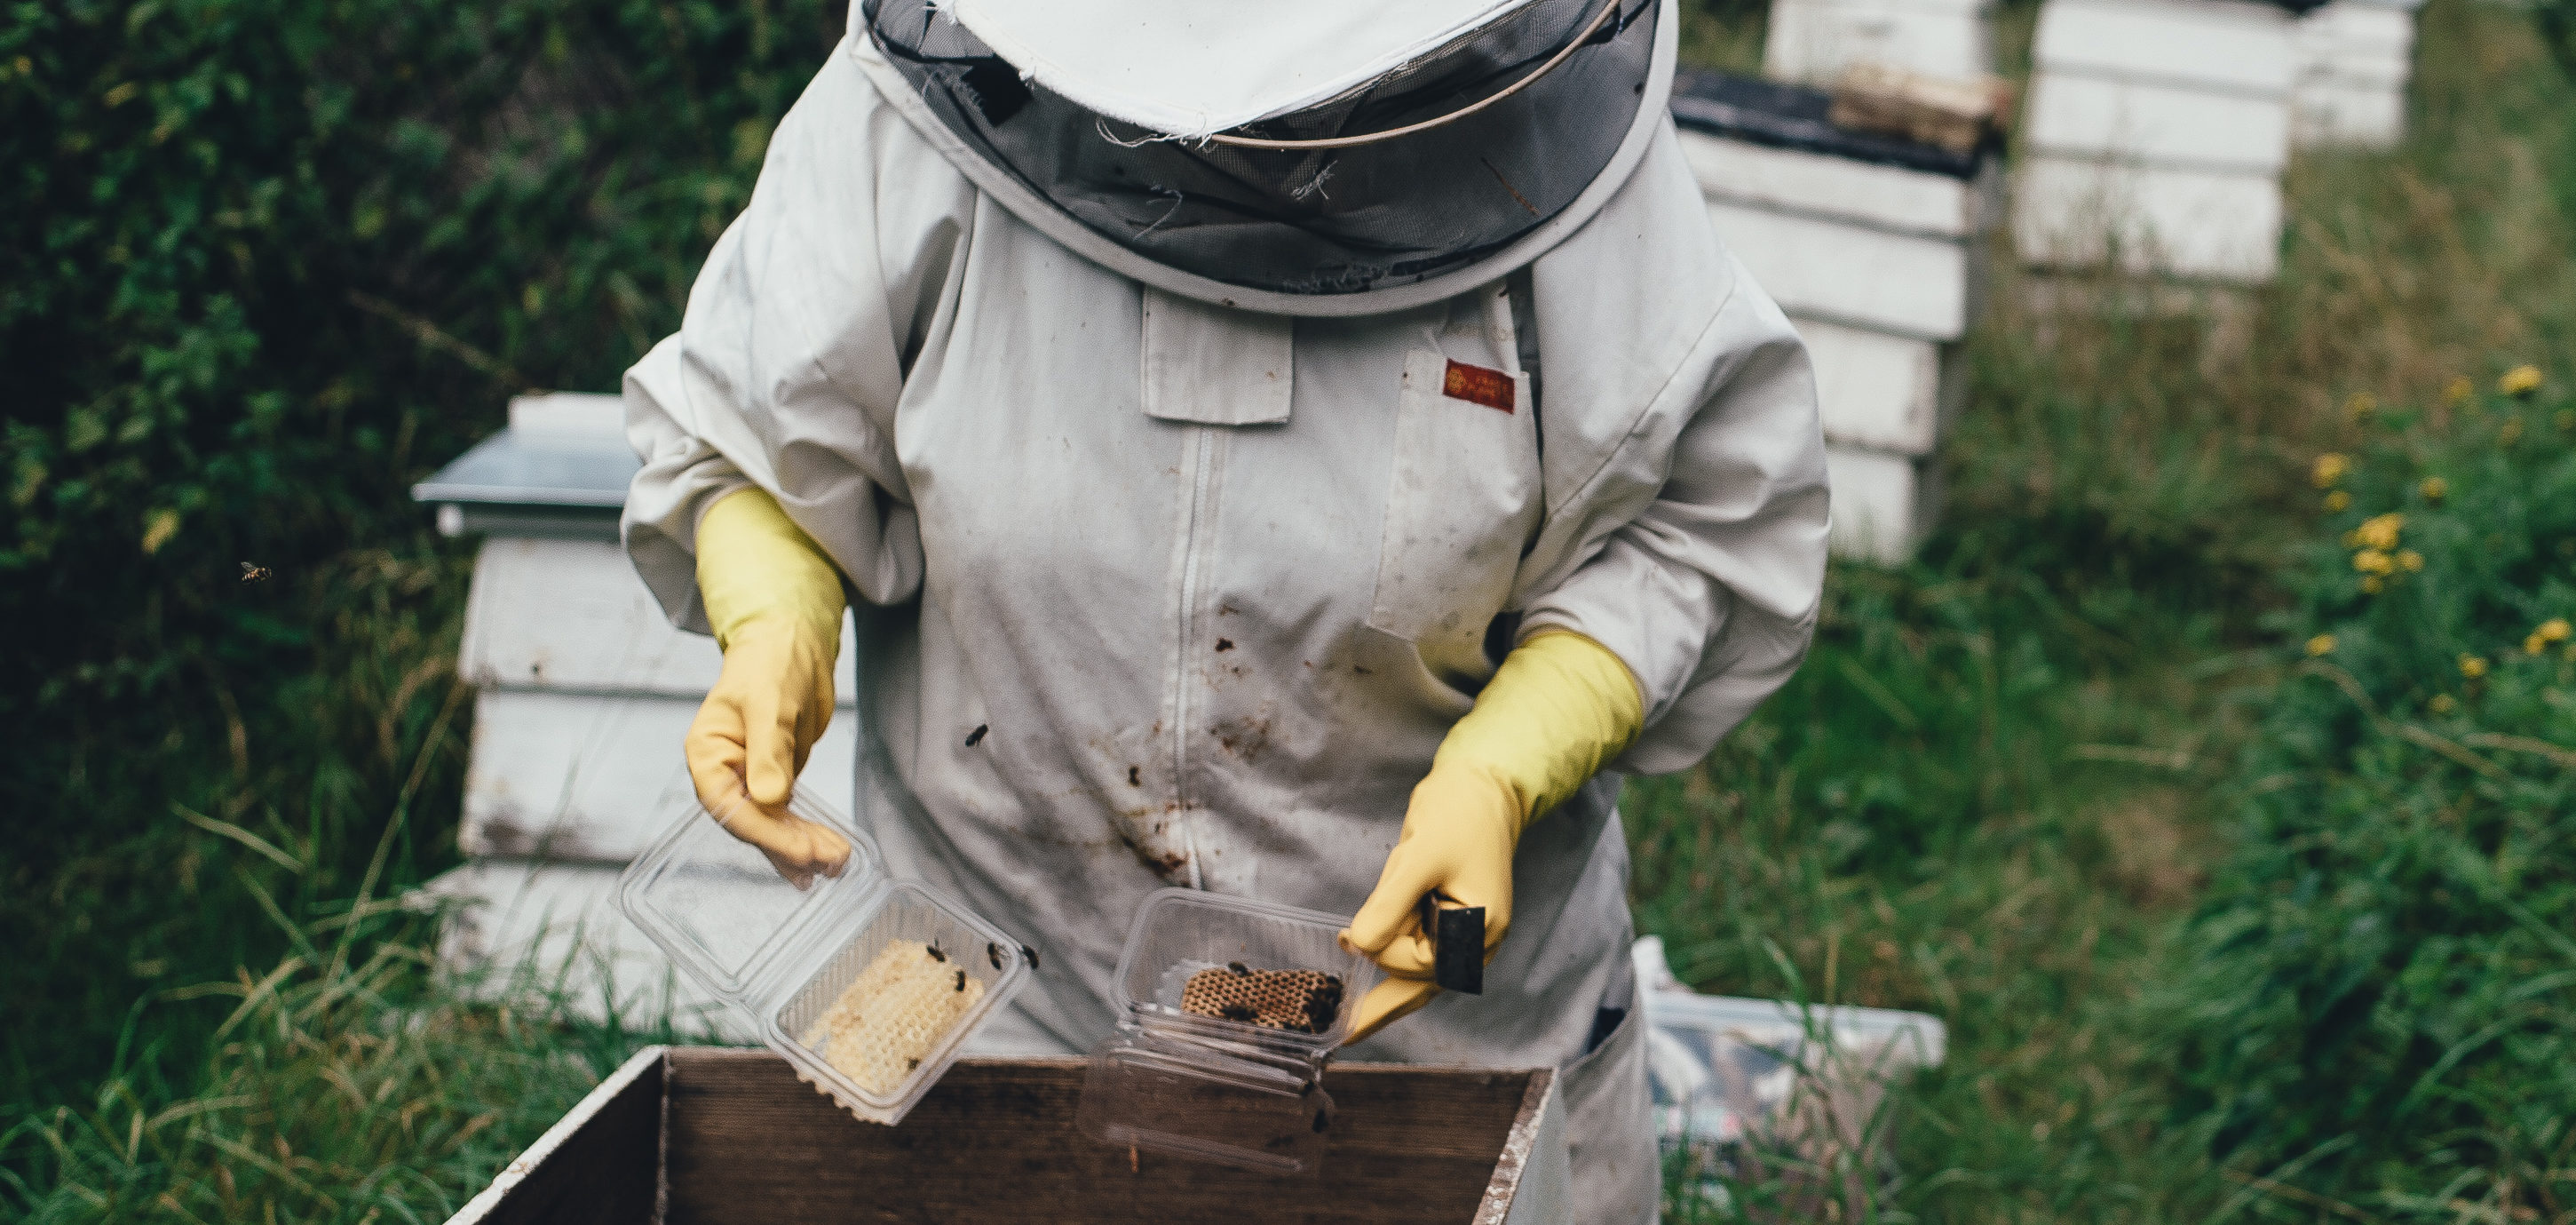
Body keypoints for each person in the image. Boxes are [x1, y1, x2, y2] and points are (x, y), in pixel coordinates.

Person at [615, 0, 1827, 1216]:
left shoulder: (1557, 170)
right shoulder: (908, 133)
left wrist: (1507, 765)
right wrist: (774, 624)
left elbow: (1694, 518)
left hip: (1416, 1044)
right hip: (989, 1010)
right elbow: (754, 424)